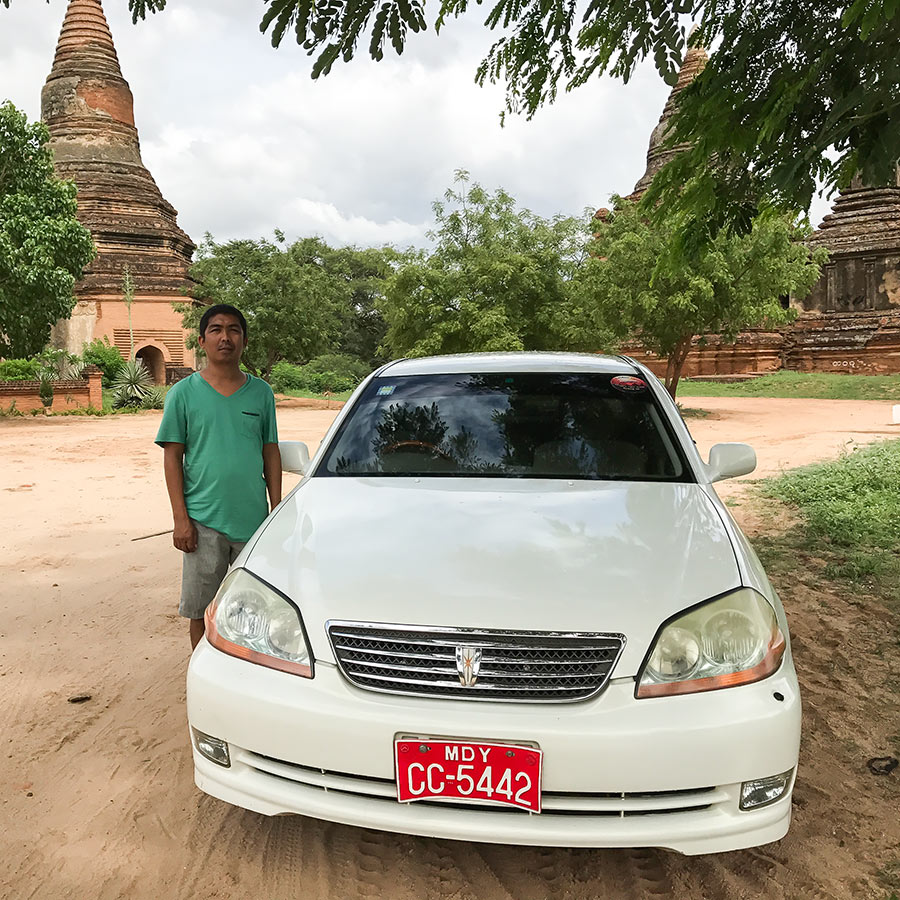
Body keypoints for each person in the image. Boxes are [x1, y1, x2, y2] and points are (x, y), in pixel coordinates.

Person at [155, 304, 282, 649]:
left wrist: (275, 512)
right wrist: (181, 520)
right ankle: (202, 672)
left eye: (233, 330)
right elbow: (172, 458)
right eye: (216, 329)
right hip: (202, 523)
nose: (225, 337)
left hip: (253, 523)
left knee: (253, 611)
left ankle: (245, 673)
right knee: (200, 611)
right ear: (202, 340)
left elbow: (270, 451)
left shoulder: (261, 393)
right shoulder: (183, 394)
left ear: (244, 340)